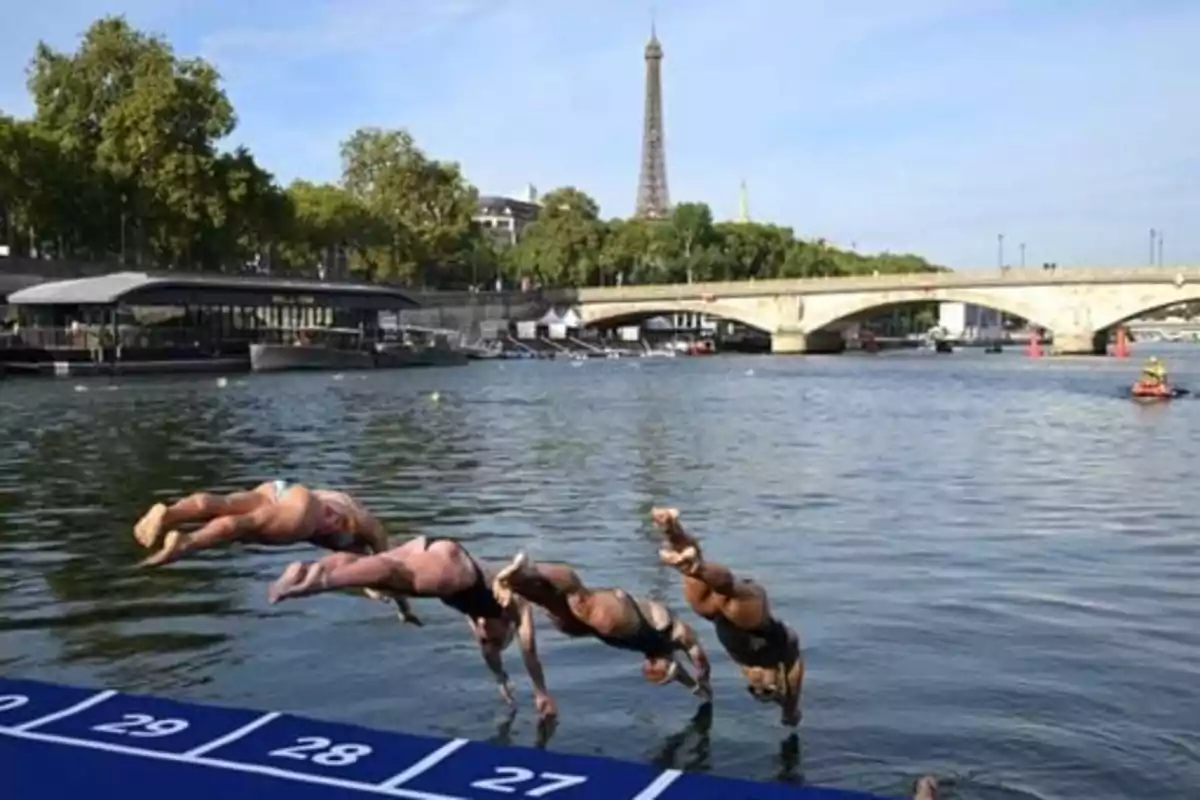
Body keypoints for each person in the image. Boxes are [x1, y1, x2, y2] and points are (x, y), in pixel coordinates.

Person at [267, 536, 557, 719]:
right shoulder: (516, 608)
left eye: (484, 640)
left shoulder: (478, 620)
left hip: (427, 546)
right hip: (455, 566)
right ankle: (322, 582)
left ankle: (306, 570)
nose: (483, 634)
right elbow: (529, 650)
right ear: (506, 630)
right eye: (491, 638)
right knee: (396, 576)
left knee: (379, 570)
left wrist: (501, 681)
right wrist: (541, 692)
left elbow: (490, 656)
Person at [133, 480, 419, 620]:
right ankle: (187, 542)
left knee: (225, 504)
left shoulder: (357, 527)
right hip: (305, 513)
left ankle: (169, 513)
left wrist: (398, 607)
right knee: (243, 524)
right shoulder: (370, 531)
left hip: (284, 489)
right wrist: (403, 608)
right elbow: (387, 569)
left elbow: (377, 575)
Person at [489, 551, 712, 703]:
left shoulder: (668, 644)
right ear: (670, 661)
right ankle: (526, 571)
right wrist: (703, 679)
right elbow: (698, 660)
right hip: (629, 621)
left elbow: (690, 666)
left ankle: (520, 579)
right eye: (660, 667)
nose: (650, 664)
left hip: (610, 628)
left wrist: (697, 685)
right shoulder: (677, 633)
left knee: (562, 602)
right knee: (576, 599)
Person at [651, 507, 804, 727]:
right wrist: (790, 708)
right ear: (780, 679)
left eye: (753, 689)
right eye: (766, 688)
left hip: (714, 616)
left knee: (691, 574)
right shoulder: (784, 652)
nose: (757, 683)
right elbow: (795, 677)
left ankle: (671, 528)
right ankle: (697, 566)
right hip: (754, 619)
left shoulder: (745, 663)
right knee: (728, 589)